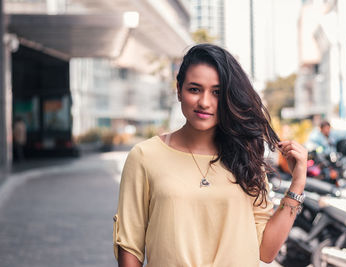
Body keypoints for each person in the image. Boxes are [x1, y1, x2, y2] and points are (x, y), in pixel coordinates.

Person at [113, 44, 307, 267]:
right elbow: (129, 246)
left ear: (228, 98)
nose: (204, 102)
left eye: (216, 92)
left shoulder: (245, 158)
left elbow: (266, 250)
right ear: (179, 90)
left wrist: (298, 182)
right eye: (194, 89)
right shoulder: (144, 157)